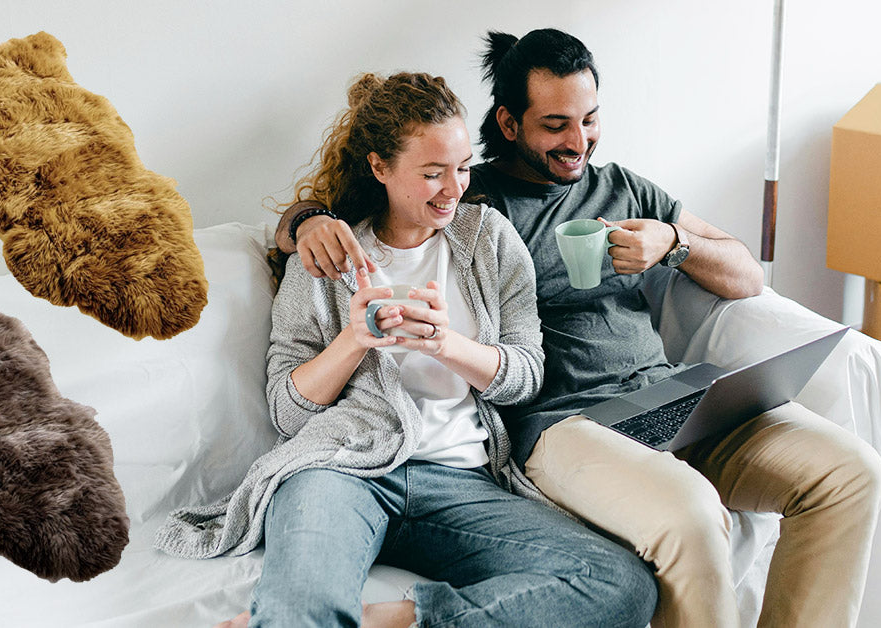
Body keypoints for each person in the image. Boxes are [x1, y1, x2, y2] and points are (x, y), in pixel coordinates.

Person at [274, 30, 881, 628]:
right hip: (565, 423)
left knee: (850, 471)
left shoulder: (618, 190)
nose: (579, 141)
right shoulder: (474, 203)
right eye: (556, 125)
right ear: (510, 124)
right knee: (692, 516)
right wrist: (306, 221)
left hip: (666, 395)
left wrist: (673, 242)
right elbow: (367, 206)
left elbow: (745, 274)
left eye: (589, 119)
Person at [157, 71, 657, 628]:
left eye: (463, 168)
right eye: (432, 173)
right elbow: (287, 410)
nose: (453, 188)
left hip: (461, 480)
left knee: (618, 583)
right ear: (380, 168)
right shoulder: (325, 255)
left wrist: (448, 344)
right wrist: (352, 342)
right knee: (301, 609)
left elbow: (526, 375)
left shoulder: (489, 240)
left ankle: (389, 621)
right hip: (340, 470)